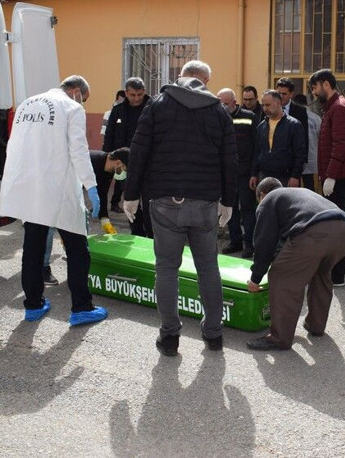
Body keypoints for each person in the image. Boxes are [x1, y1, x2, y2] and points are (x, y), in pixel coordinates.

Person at [123, 61, 236, 356]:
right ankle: (213, 335)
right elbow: (230, 159)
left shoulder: (158, 105)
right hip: (205, 202)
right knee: (208, 267)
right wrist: (229, 200)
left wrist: (130, 193)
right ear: (204, 80)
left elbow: (139, 150)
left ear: (180, 77)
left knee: (167, 269)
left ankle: (170, 336)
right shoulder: (218, 111)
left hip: (165, 201)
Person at [1, 75, 109, 326]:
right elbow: (79, 151)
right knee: (77, 249)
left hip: (30, 187)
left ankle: (33, 305)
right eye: (85, 98)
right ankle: (82, 307)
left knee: (33, 248)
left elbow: (14, 145)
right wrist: (91, 186)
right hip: (58, 189)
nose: (83, 103)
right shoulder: (71, 107)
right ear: (76, 91)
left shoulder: (27, 104)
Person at [245, 178, 345, 351]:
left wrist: (255, 278)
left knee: (281, 277)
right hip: (343, 230)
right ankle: (316, 326)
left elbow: (264, 243)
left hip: (314, 233)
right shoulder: (297, 194)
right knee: (320, 273)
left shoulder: (269, 200)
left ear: (261, 195)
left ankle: (279, 338)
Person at [310, 69, 345, 286]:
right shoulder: (333, 106)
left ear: (325, 84)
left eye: (314, 87)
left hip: (341, 177)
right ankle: (333, 271)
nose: (314, 93)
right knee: (335, 224)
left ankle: (337, 275)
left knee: (337, 226)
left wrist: (330, 176)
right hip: (339, 175)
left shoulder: (339, 107)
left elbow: (340, 144)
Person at [41, 147, 130, 283]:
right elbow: (67, 181)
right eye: (124, 168)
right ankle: (43, 269)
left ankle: (74, 258)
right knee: (48, 229)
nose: (123, 172)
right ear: (118, 162)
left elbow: (102, 193)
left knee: (81, 225)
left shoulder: (108, 170)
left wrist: (104, 219)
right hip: (56, 189)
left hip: (72, 195)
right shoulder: (91, 160)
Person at [103, 78, 151, 232]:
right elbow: (109, 134)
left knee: (149, 201)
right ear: (125, 93)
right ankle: (136, 231)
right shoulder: (117, 110)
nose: (136, 98)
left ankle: (151, 233)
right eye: (133, 95)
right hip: (123, 163)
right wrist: (107, 156)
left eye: (140, 94)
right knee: (130, 198)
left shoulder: (152, 107)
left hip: (148, 162)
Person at [217, 88, 257, 258]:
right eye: (220, 103)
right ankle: (235, 241)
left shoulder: (249, 117)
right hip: (226, 173)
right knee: (230, 208)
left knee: (247, 210)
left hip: (245, 172)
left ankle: (249, 244)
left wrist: (254, 172)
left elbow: (256, 146)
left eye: (225, 103)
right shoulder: (217, 118)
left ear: (234, 102)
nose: (222, 106)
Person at [249, 90, 305, 188]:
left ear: (278, 103)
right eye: (263, 105)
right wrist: (254, 174)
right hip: (264, 176)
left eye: (268, 105)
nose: (265, 108)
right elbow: (257, 151)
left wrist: (295, 176)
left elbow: (299, 153)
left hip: (286, 177)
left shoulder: (293, 125)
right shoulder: (261, 126)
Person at [294, 93, 322, 191]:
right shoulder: (316, 118)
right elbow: (321, 138)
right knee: (309, 186)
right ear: (307, 103)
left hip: (295, 158)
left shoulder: (292, 117)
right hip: (312, 158)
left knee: (295, 188)